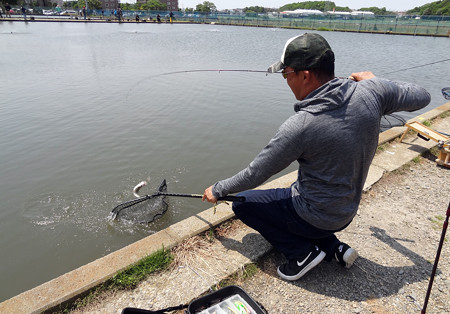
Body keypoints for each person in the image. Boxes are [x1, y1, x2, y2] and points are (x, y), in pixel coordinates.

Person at [202, 33, 430, 281]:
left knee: (243, 203)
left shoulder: (301, 126)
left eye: (286, 74)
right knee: (292, 193)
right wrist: (376, 81)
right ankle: (334, 248)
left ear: (305, 75)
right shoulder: (373, 92)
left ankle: (301, 254)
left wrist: (218, 188)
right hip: (347, 211)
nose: (286, 80)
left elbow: (256, 173)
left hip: (315, 215)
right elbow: (423, 96)